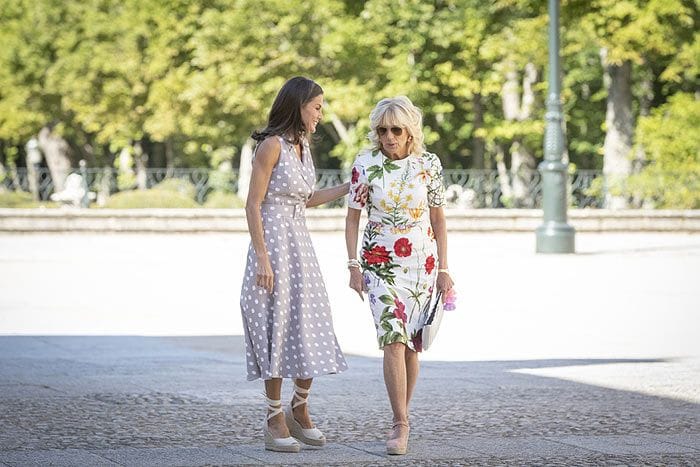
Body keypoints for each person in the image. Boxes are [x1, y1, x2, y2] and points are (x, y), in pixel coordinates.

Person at [240, 76, 352, 453]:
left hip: (300, 246)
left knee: (311, 322)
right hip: (272, 244)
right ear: (298, 105)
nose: (321, 115)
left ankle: (299, 408)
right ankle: (274, 416)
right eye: (317, 107)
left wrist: (349, 189)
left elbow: (305, 198)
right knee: (276, 325)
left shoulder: (303, 146)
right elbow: (253, 204)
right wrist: (262, 258)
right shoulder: (270, 146)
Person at [345, 96, 454, 455]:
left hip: (420, 265)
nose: (388, 137)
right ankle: (400, 423)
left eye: (396, 130)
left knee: (411, 346)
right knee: (392, 337)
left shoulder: (428, 164)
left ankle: (403, 416)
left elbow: (438, 218)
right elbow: (353, 218)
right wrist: (353, 265)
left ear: (410, 132)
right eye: (382, 130)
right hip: (378, 263)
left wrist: (444, 269)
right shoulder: (365, 163)